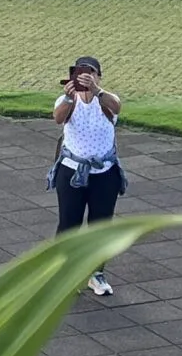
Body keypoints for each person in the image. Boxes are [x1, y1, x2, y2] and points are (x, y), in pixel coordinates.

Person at [50, 55, 126, 297]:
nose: (86, 77)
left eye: (91, 73)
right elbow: (59, 118)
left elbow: (116, 107)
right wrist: (71, 97)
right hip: (72, 171)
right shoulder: (67, 100)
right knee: (69, 224)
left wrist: (96, 90)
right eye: (81, 72)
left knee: (100, 225)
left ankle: (96, 273)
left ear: (98, 76)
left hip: (104, 173)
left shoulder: (106, 100)